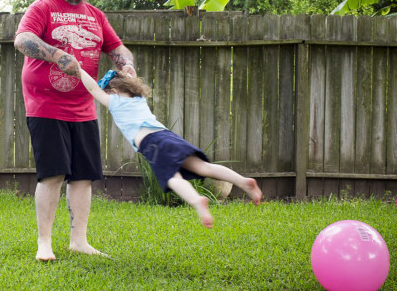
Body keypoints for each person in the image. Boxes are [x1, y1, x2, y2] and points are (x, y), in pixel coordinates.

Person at [14, 0, 136, 261]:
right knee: (53, 173)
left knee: (83, 175)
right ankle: (45, 242)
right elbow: (22, 40)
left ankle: (79, 240)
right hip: (46, 105)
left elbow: (116, 47)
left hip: (84, 106)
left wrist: (126, 66)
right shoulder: (43, 8)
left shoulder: (96, 15)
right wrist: (56, 54)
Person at [80, 69, 262, 228]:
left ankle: (197, 201)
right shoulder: (139, 98)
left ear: (113, 91)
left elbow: (92, 88)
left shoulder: (115, 102)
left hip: (152, 143)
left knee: (171, 177)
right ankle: (243, 181)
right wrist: (128, 72)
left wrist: (79, 69)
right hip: (167, 136)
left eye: (108, 92)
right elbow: (130, 78)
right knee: (203, 167)